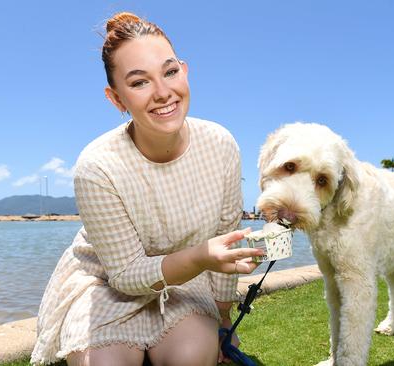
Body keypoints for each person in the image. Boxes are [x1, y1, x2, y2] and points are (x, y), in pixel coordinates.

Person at [30, 12, 264, 366]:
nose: (163, 92)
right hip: (106, 283)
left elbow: (225, 234)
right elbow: (125, 275)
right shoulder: (96, 166)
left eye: (170, 72)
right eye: (139, 82)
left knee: (191, 357)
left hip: (186, 281)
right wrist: (200, 256)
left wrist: (222, 319)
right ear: (116, 98)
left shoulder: (221, 144)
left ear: (184, 70)